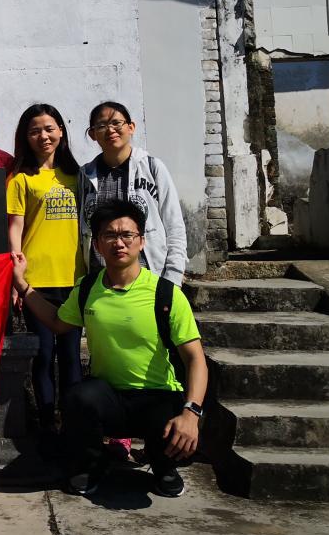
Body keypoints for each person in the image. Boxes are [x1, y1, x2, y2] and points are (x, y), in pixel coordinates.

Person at [13, 200, 207, 498]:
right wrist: (22, 284)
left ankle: (164, 467)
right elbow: (56, 322)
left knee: (170, 420)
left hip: (156, 398)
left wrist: (192, 413)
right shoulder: (88, 289)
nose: (119, 242)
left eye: (127, 234)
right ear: (98, 245)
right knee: (78, 397)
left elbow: (195, 359)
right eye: (109, 235)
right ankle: (91, 465)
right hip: (109, 398)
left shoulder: (166, 294)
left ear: (141, 241)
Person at [7, 104, 83, 434]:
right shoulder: (21, 178)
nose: (43, 136)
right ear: (26, 137)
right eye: (35, 131)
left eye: (49, 128)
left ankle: (74, 424)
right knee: (42, 356)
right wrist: (17, 277)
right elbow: (15, 228)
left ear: (61, 131)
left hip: (75, 278)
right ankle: (48, 424)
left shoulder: (79, 176)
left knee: (71, 357)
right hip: (36, 281)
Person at [80, 101, 187, 284]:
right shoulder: (85, 175)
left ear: (131, 127)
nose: (110, 130)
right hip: (100, 281)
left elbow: (174, 226)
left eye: (116, 123)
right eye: (102, 125)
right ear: (92, 134)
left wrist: (173, 278)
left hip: (150, 277)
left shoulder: (152, 168)